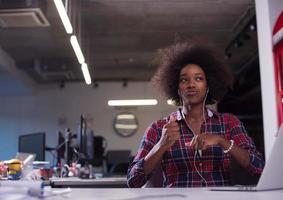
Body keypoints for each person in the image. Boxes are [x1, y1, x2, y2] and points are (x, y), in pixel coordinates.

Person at [127, 41, 264, 187]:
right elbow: (133, 181)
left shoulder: (229, 123)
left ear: (208, 86)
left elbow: (258, 167)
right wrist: (160, 145)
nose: (191, 84)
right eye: (184, 80)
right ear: (177, 88)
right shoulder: (159, 128)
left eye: (198, 78)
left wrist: (221, 141)